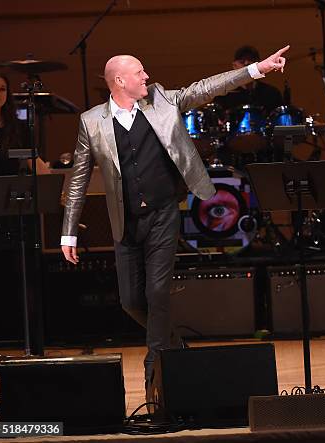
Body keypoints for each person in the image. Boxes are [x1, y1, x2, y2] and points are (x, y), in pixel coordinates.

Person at [60, 46, 289, 396]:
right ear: (120, 81)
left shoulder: (162, 100)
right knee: (131, 301)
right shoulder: (91, 122)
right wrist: (69, 233)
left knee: (156, 291)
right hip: (126, 220)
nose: (146, 77)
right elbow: (77, 178)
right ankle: (175, 346)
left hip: (165, 211)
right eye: (139, 72)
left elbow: (206, 88)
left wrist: (256, 69)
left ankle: (156, 365)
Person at [214, 45, 284, 114]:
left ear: (259, 65)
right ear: (234, 66)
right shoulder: (223, 93)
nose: (246, 63)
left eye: (251, 60)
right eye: (241, 61)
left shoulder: (272, 92)